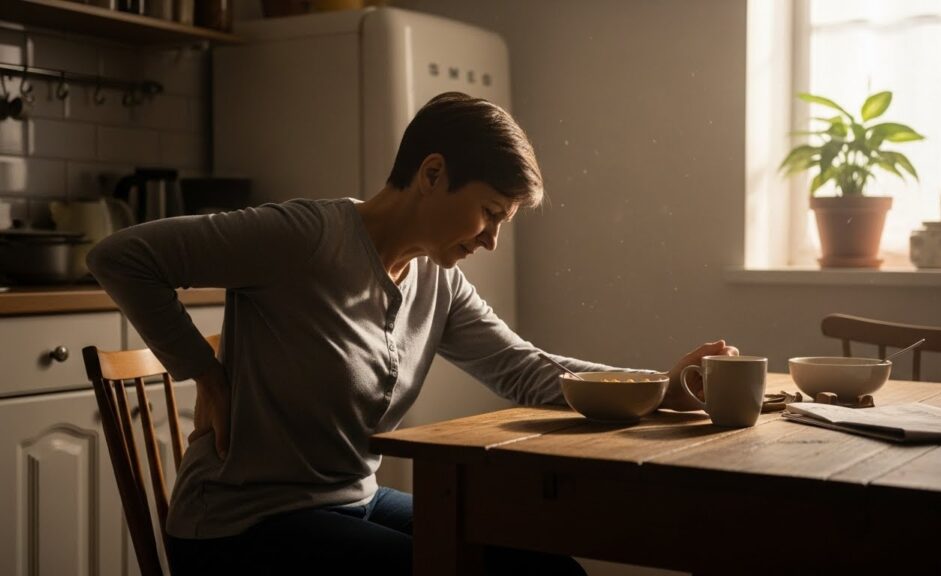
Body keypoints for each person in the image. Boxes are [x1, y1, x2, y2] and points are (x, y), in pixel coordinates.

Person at [88, 91, 738, 575]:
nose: (491, 239)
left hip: (353, 501)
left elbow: (525, 369)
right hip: (242, 526)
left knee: (548, 571)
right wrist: (202, 371)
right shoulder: (302, 239)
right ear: (432, 174)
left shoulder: (437, 281)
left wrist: (662, 387)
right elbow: (120, 256)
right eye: (489, 213)